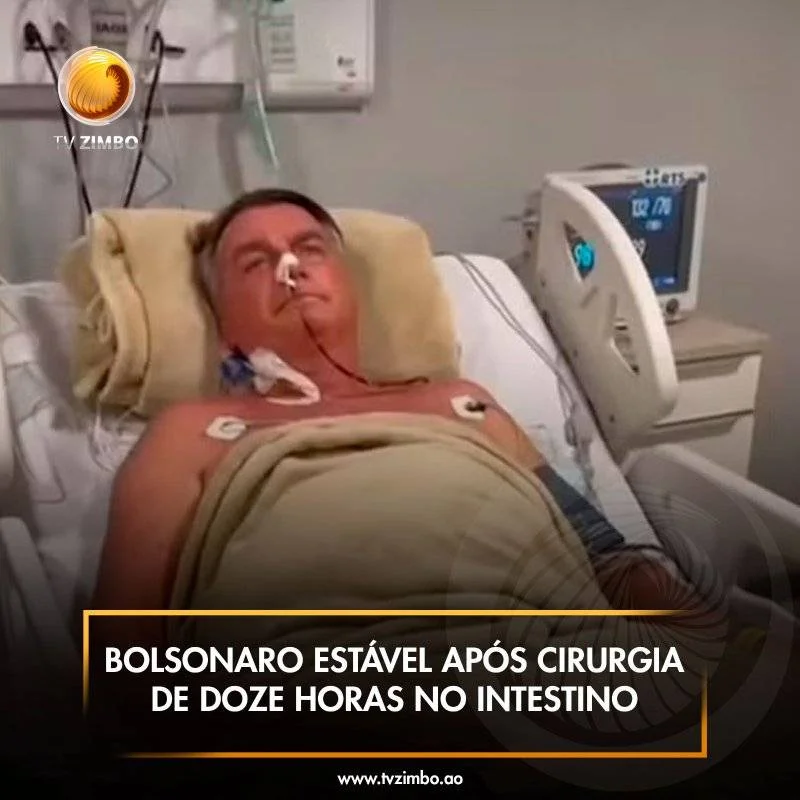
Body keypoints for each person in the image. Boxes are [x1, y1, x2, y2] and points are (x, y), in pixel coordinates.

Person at [90, 189, 695, 624]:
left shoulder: (460, 402)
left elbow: (603, 551)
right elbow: (125, 655)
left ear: (350, 286)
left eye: (309, 249)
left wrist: (694, 644)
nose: (289, 268)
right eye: (255, 262)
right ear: (224, 325)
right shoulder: (191, 433)